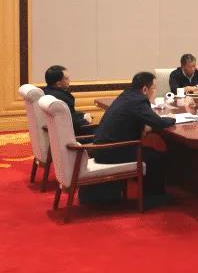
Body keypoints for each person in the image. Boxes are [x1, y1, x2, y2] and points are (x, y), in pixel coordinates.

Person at [83, 72, 176, 204]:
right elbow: (159, 123)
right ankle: (153, 198)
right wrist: (172, 119)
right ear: (145, 89)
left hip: (102, 149)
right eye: (154, 88)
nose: (155, 92)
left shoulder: (127, 95)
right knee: (154, 156)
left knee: (149, 152)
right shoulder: (138, 100)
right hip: (112, 151)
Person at [43, 65, 93, 136]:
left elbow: (68, 115)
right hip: (73, 137)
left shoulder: (45, 92)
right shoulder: (63, 98)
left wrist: (82, 115)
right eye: (67, 78)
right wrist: (86, 121)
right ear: (58, 84)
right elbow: (72, 124)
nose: (69, 80)